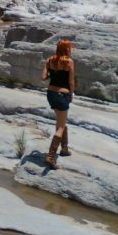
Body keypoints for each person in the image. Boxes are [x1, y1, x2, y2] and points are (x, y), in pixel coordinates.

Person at [41, 39, 74, 169]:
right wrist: (71, 93)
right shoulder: (69, 62)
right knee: (60, 126)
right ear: (67, 49)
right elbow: (71, 82)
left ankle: (64, 149)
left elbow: (43, 77)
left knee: (61, 121)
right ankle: (50, 157)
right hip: (62, 94)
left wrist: (50, 72)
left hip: (50, 94)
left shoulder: (49, 60)